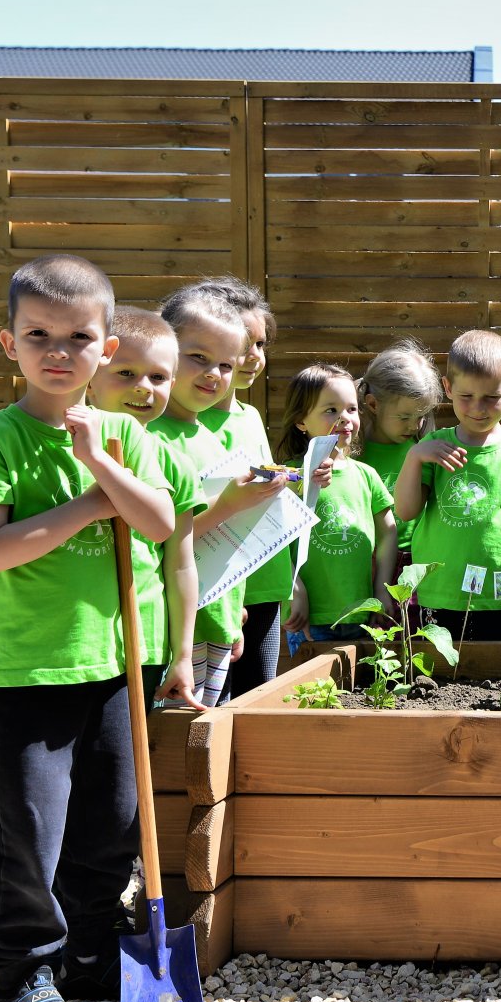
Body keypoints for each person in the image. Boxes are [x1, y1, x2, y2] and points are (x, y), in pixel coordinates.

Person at [0, 255, 176, 1002]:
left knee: (110, 822)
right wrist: (87, 502)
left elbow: (157, 524)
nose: (58, 351)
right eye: (37, 334)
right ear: (7, 344)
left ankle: (86, 949)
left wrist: (103, 464)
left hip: (116, 665)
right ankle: (21, 976)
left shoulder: (125, 434)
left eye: (78, 336)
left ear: (106, 349)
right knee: (26, 830)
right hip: (30, 668)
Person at [153, 289, 288, 707]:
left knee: (213, 735)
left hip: (218, 623)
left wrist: (233, 614)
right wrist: (230, 504)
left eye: (225, 365)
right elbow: (160, 539)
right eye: (198, 357)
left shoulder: (207, 437)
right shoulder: (149, 437)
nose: (213, 373)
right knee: (176, 744)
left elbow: (223, 547)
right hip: (173, 631)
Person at [85, 307, 201, 713]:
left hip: (143, 642)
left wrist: (183, 655)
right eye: (126, 373)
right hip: (76, 638)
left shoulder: (175, 464)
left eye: (158, 377)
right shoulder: (68, 448)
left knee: (124, 766)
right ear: (90, 379)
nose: (144, 388)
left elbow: (181, 564)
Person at [396, 329, 501, 640]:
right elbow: (406, 511)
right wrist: (413, 458)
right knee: (437, 682)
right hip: (438, 591)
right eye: (467, 397)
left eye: (491, 398)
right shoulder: (432, 446)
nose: (478, 408)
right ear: (448, 388)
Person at [189, 279, 290, 694]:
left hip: (266, 578)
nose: (254, 356)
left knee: (260, 695)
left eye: (262, 344)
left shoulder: (250, 416)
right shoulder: (185, 421)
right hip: (217, 588)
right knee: (215, 707)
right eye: (245, 343)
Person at [278, 364, 397, 643]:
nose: (344, 418)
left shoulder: (366, 476)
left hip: (362, 613)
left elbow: (388, 532)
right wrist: (295, 589)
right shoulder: (288, 477)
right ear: (301, 421)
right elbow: (273, 544)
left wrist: (382, 590)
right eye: (331, 410)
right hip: (309, 617)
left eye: (351, 409)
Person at [357, 339, 444, 569]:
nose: (415, 426)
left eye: (422, 416)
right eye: (405, 417)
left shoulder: (425, 452)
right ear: (373, 404)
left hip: (416, 563)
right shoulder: (353, 455)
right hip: (364, 563)